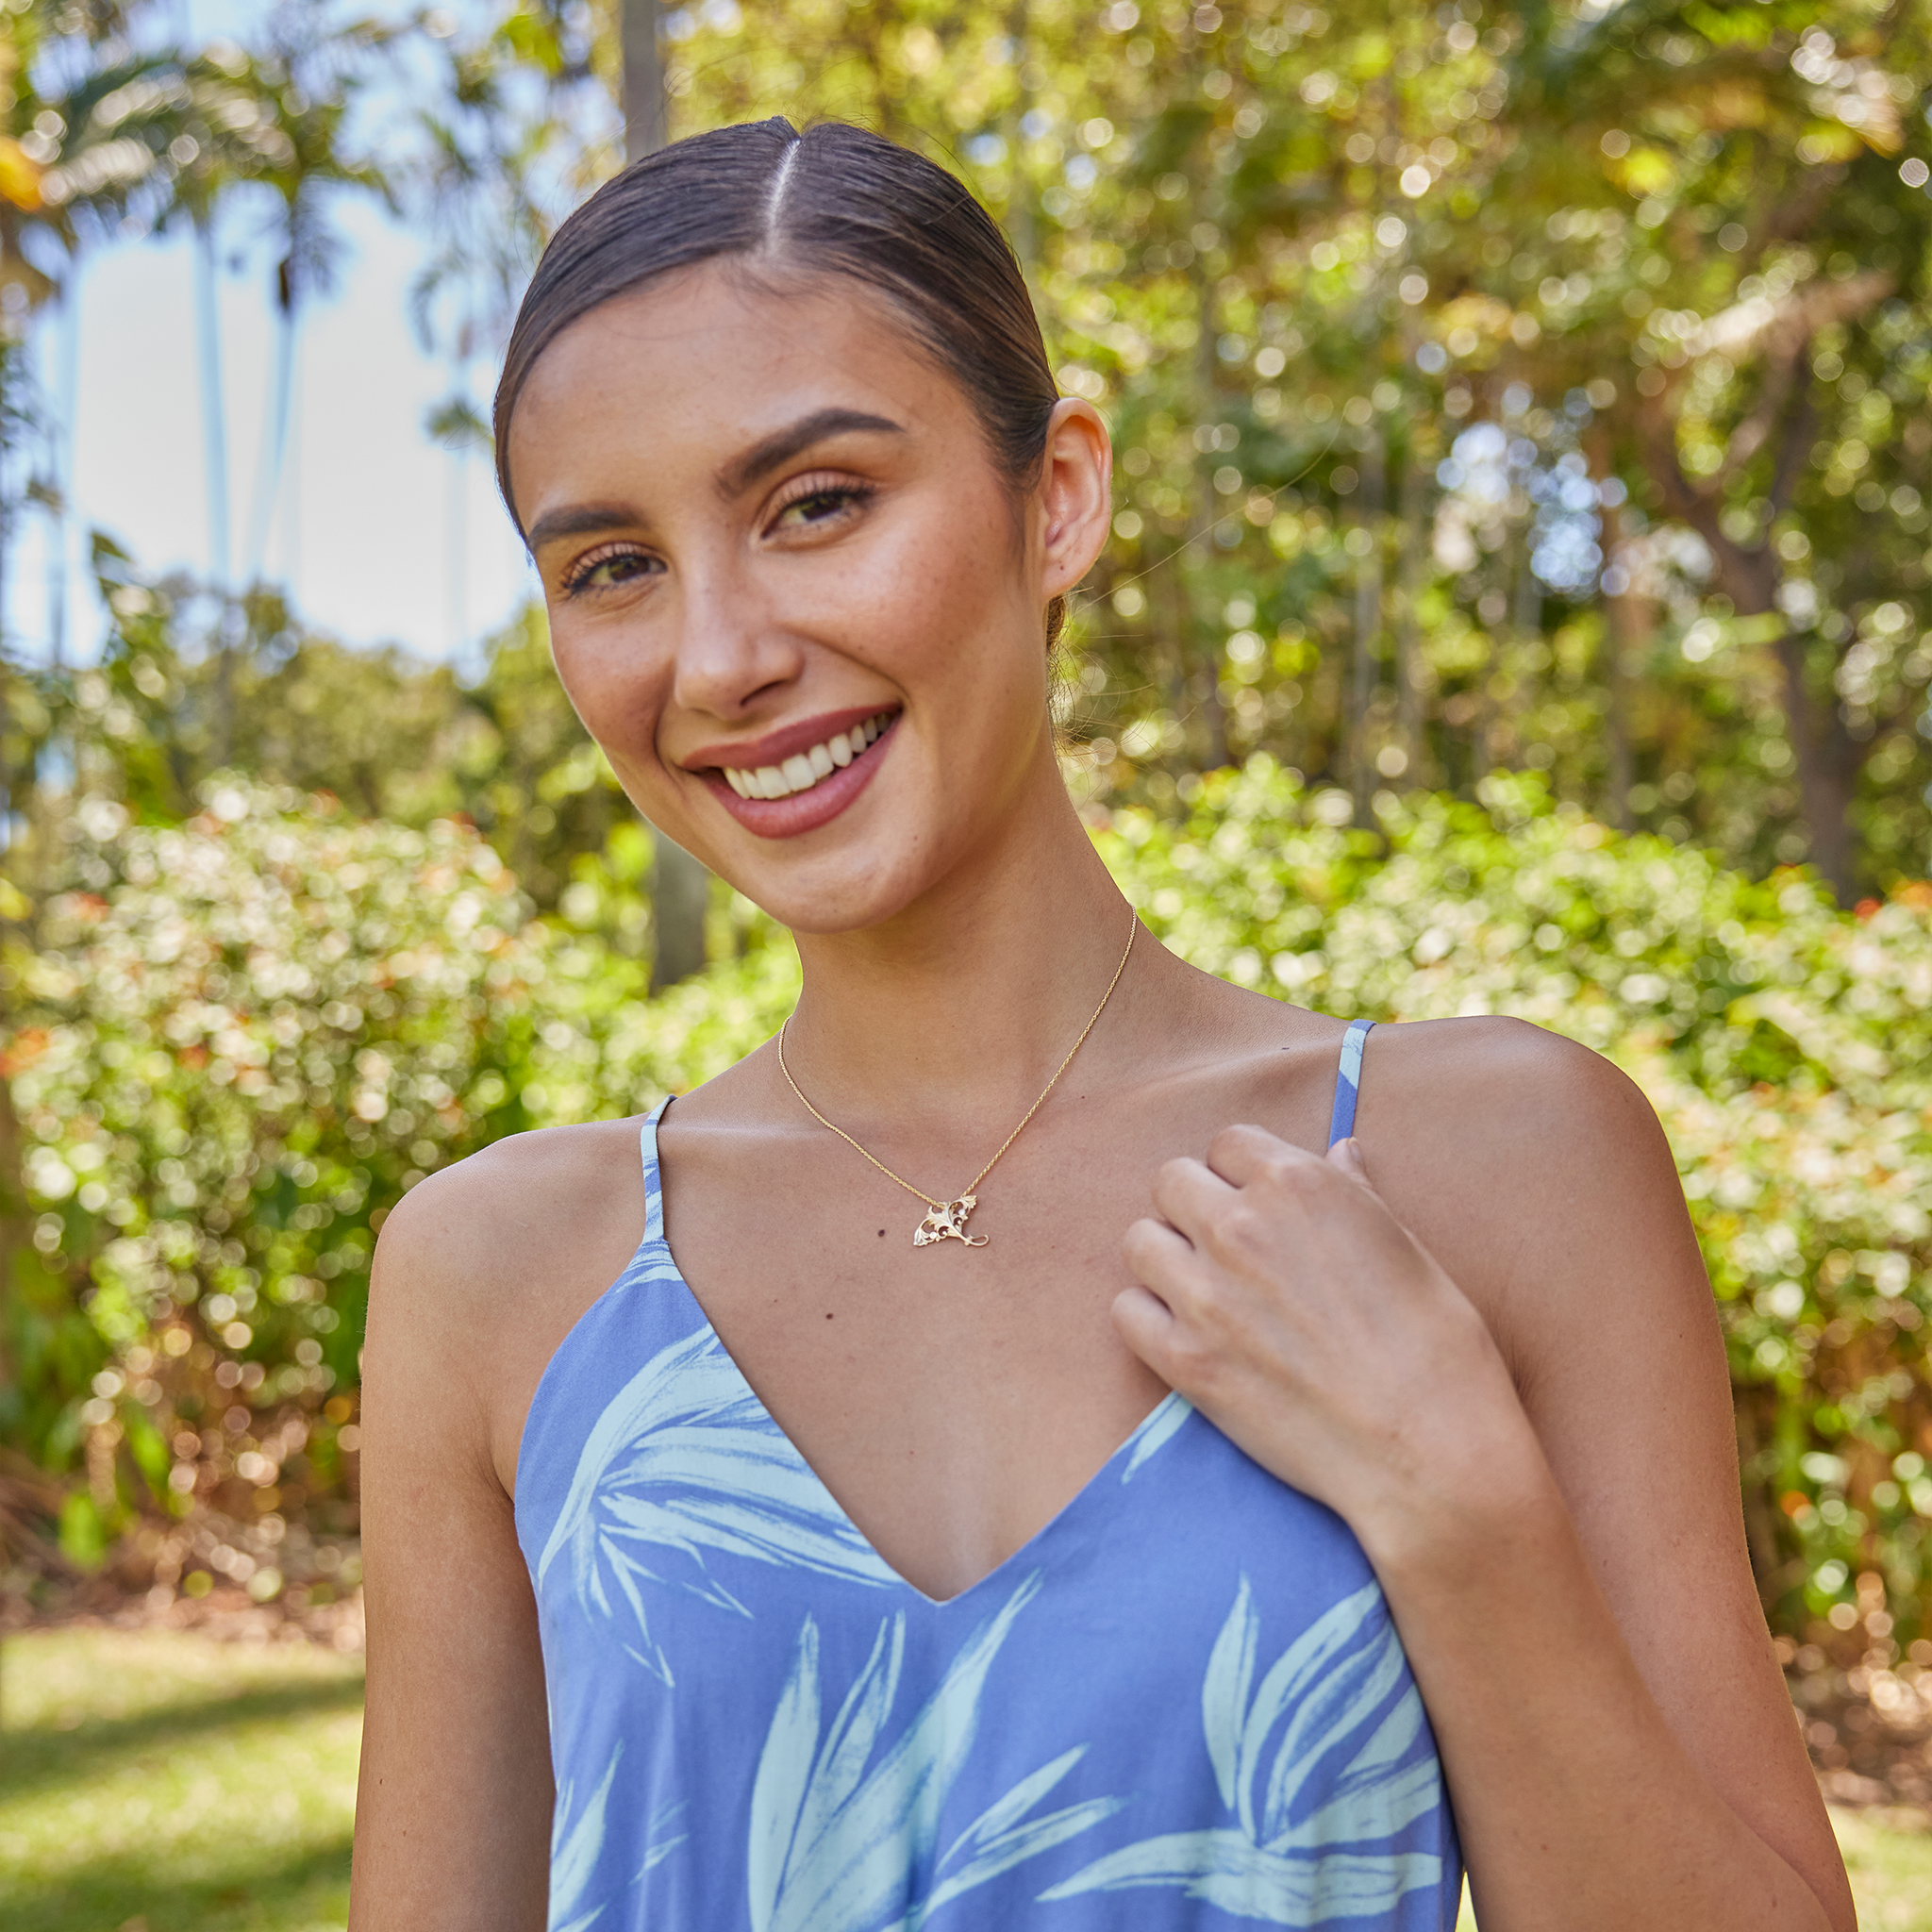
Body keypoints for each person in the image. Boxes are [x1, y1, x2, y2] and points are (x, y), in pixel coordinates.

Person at [348, 118, 1853, 1932]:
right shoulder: (496, 1273)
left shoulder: (1491, 1163)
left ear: (1053, 497)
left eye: (816, 504)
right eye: (612, 568)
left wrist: (1458, 1499)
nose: (719, 655)